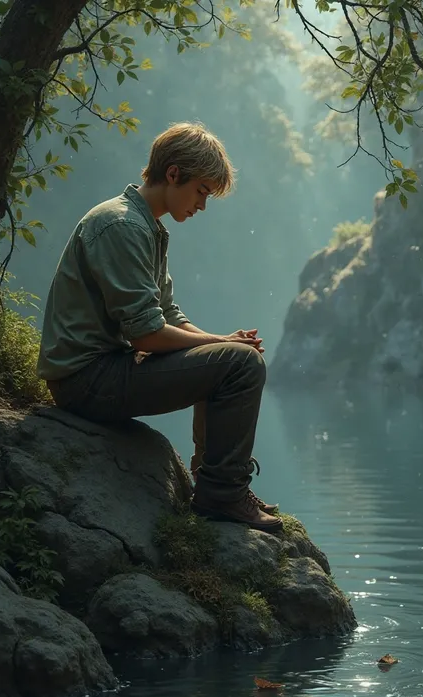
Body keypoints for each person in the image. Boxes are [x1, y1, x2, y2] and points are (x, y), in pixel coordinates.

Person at [37, 122, 282, 534]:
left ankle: (214, 482)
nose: (202, 204)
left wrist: (220, 344)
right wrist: (223, 345)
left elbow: (166, 312)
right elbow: (147, 334)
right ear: (173, 174)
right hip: (87, 380)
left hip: (108, 368)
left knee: (231, 360)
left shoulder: (146, 225)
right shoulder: (122, 225)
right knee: (239, 365)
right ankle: (222, 493)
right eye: (202, 190)